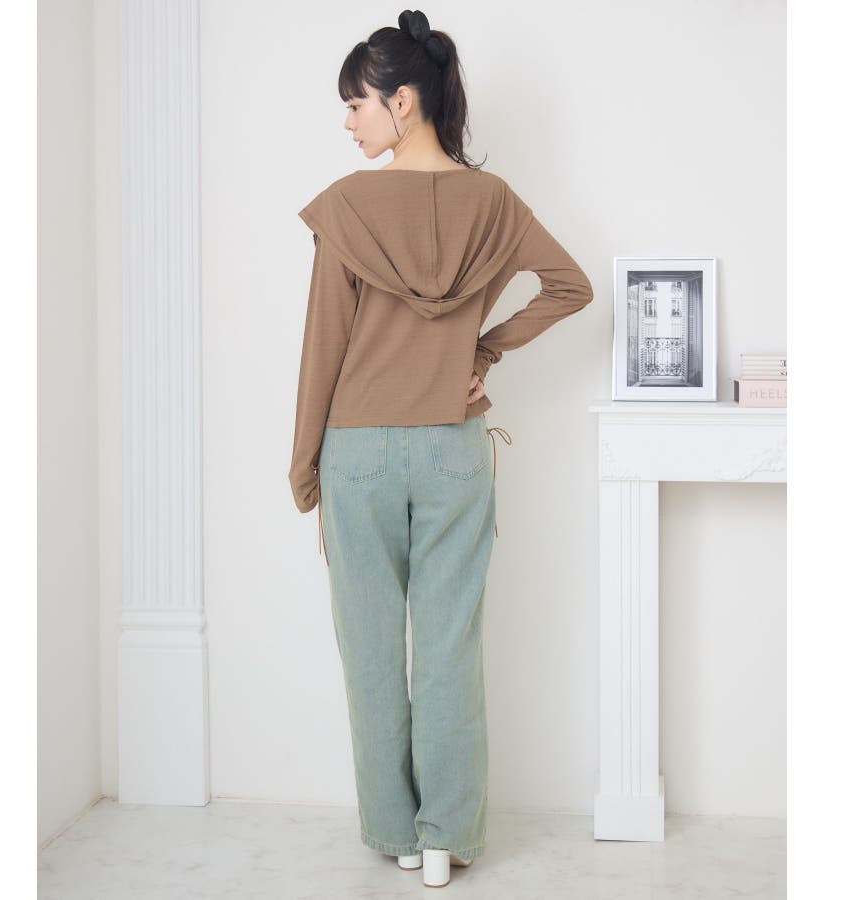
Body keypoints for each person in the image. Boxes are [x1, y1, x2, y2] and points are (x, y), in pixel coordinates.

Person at [288, 9, 593, 889]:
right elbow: (570, 286)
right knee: (451, 644)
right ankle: (444, 839)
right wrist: (481, 351)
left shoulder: (347, 208)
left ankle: (393, 828)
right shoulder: (492, 203)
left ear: (403, 101)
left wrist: (305, 470)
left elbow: (323, 347)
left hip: (358, 452)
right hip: (453, 450)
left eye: (357, 103)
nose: (348, 122)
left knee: (371, 648)